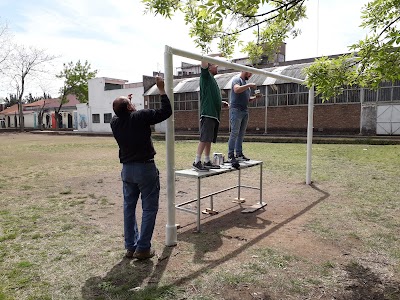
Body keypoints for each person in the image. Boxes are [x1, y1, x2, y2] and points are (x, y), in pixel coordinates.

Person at [110, 76, 172, 260]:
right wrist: (161, 90)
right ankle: (143, 248)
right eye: (130, 103)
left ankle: (131, 247)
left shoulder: (115, 123)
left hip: (127, 171)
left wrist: (126, 103)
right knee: (149, 208)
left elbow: (120, 113)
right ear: (130, 107)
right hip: (145, 169)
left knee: (129, 208)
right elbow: (165, 111)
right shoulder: (141, 116)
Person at [192, 54, 229, 172]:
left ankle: (207, 161)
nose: (217, 67)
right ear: (209, 66)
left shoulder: (212, 79)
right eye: (215, 65)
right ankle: (197, 161)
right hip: (208, 113)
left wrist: (221, 102)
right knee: (204, 138)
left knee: (209, 138)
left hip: (214, 114)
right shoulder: (205, 76)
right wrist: (216, 55)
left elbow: (212, 96)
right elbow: (202, 58)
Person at [228, 71, 262, 164]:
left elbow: (247, 99)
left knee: (241, 134)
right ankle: (231, 155)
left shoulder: (246, 84)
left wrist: (255, 98)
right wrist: (249, 85)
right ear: (244, 71)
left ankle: (239, 154)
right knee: (234, 132)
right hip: (236, 110)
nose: (250, 75)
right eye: (249, 73)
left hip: (244, 110)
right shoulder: (237, 80)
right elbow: (236, 90)